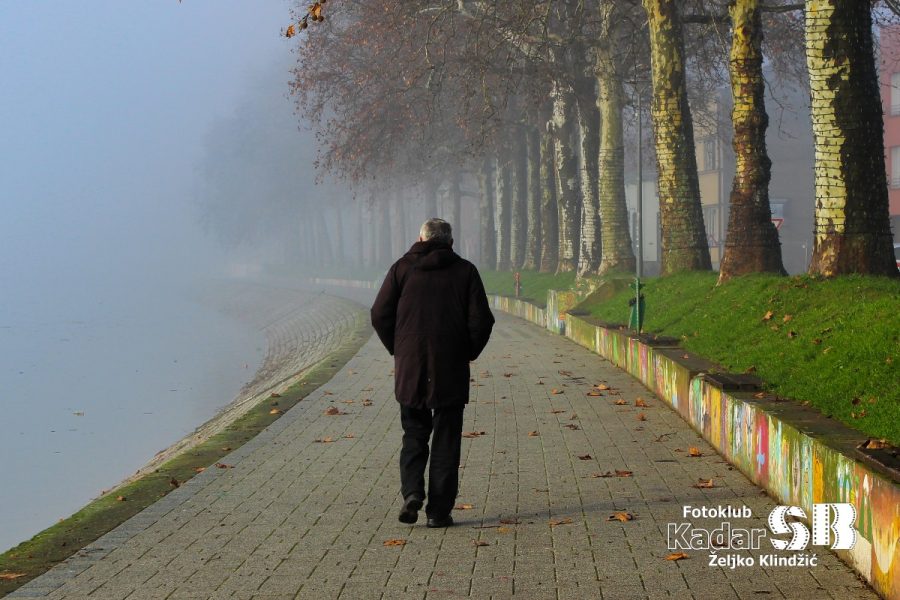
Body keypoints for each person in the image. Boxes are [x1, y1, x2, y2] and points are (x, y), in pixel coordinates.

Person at [370, 218, 495, 528]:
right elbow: (482, 321)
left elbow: (379, 314)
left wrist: (399, 350)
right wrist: (466, 353)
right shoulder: (465, 271)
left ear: (421, 238)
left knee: (414, 434)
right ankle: (439, 511)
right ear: (450, 242)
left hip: (411, 367)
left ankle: (412, 492)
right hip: (449, 367)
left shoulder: (401, 269)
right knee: (447, 439)